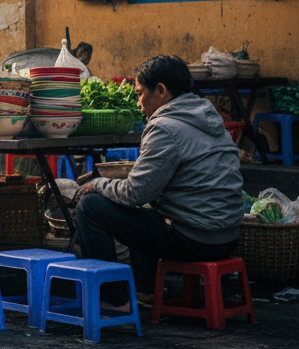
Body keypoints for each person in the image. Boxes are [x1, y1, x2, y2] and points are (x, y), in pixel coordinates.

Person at [76, 55, 243, 309]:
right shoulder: (207, 116)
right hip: (228, 235)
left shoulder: (164, 126)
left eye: (141, 94)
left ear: (161, 91)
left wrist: (96, 184)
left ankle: (114, 299)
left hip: (197, 238)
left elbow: (134, 193)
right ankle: (147, 290)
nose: (139, 103)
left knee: (90, 207)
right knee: (148, 209)